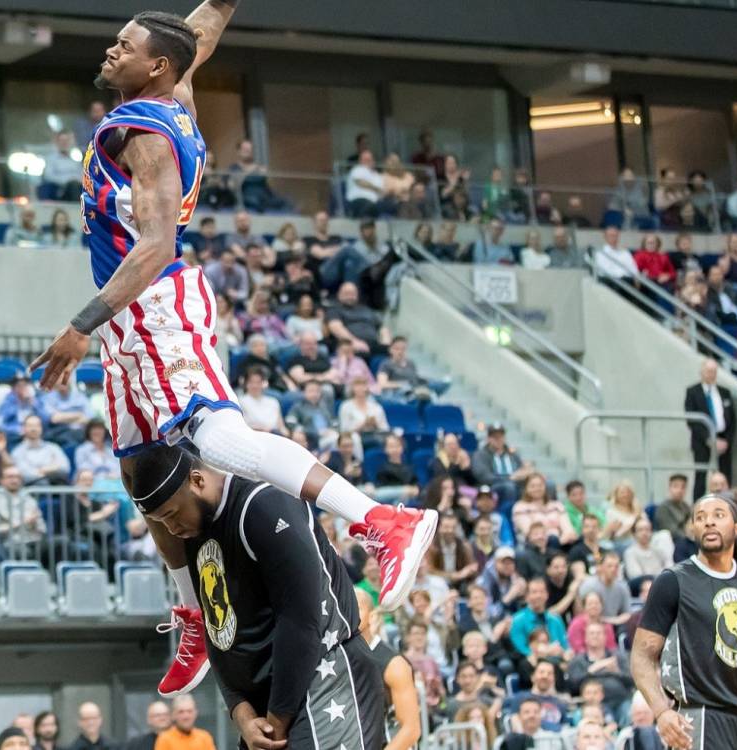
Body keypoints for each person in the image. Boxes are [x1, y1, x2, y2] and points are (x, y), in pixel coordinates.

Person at [29, 0, 437, 691]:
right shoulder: (175, 90)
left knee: (213, 439)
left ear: (153, 66)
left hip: (151, 304)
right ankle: (192, 615)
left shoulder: (144, 134)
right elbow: (205, 25)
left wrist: (82, 325)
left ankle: (381, 519)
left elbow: (156, 247)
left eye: (123, 46)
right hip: (134, 315)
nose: (110, 51)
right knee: (141, 474)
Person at [128, 444, 386, 750]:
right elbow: (218, 630)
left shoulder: (264, 504)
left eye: (171, 514)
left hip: (323, 681)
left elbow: (301, 621)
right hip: (266, 709)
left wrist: (276, 721)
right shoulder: (196, 528)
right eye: (160, 521)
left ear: (197, 480)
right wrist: (241, 713)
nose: (170, 527)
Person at [632, 495, 737, 750]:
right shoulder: (673, 581)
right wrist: (661, 712)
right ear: (694, 529)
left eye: (718, 515)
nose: (708, 522)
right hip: (701, 716)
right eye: (700, 517)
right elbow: (641, 655)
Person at [683, 360, 737, 488]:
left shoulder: (724, 392)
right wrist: (709, 439)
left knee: (725, 476)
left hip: (723, 439)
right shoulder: (693, 392)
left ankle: (724, 505)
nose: (711, 375)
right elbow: (692, 419)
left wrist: (727, 440)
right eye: (708, 371)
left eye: (714, 372)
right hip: (702, 439)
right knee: (701, 476)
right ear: (702, 372)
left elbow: (732, 419)